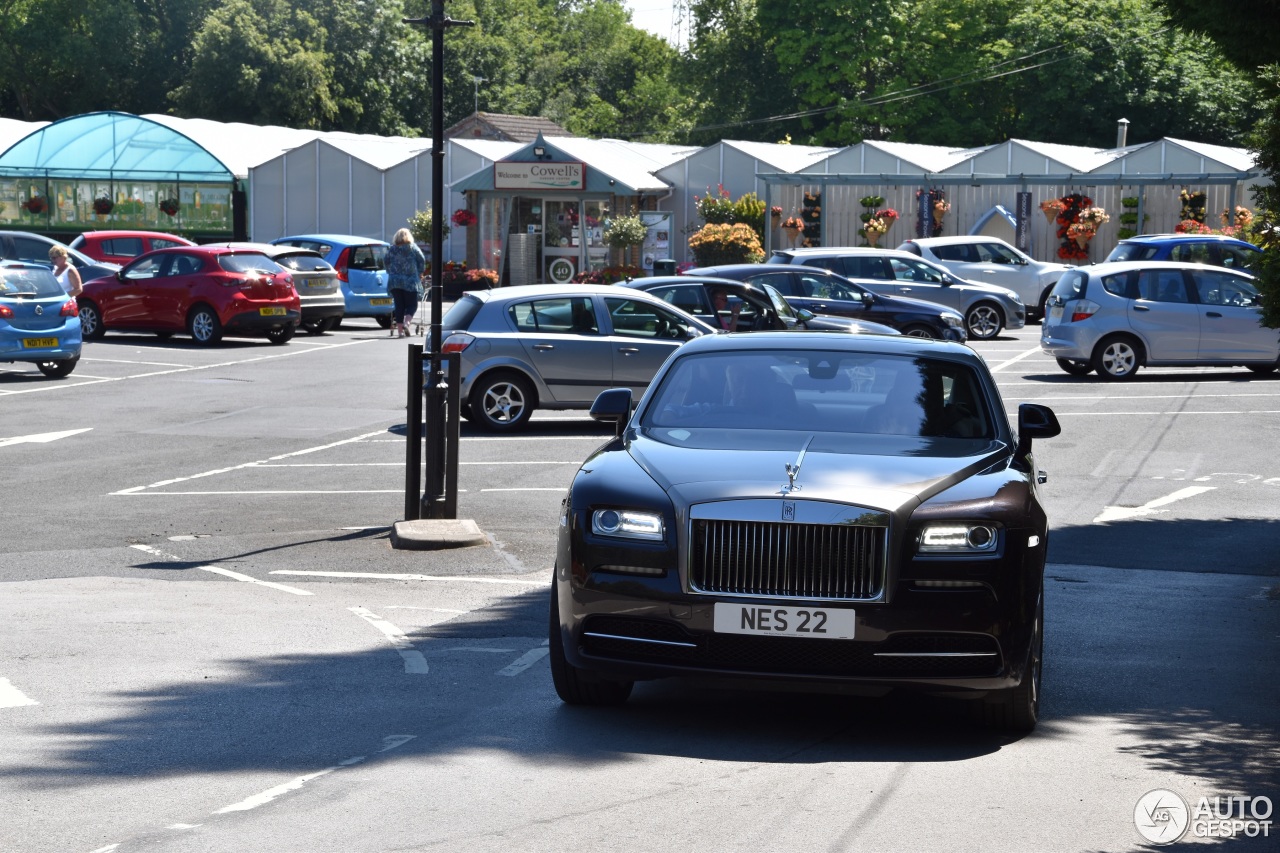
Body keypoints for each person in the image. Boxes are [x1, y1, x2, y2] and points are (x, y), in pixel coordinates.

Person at [385, 228, 426, 338]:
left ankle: (400, 332)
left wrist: (391, 272)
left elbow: (386, 261)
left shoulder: (392, 249)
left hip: (395, 281)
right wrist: (420, 272)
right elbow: (421, 259)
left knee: (399, 305)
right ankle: (406, 323)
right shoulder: (412, 248)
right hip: (410, 280)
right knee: (412, 304)